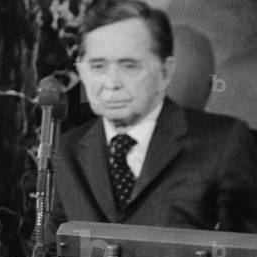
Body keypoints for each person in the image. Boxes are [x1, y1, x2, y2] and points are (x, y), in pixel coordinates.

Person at [51, 0, 257, 237]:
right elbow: (53, 256)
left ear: (165, 72)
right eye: (98, 66)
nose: (112, 83)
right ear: (82, 73)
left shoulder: (224, 143)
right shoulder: (67, 150)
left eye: (129, 66)